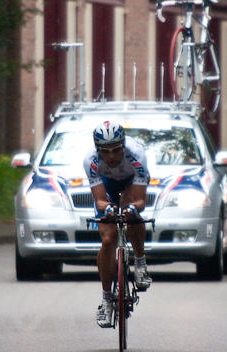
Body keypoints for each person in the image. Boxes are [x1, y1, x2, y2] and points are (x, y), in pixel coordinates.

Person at [83, 120, 152, 328]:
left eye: (115, 150)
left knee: (130, 209)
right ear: (98, 150)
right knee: (107, 240)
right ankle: (106, 300)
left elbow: (139, 201)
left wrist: (132, 209)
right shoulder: (91, 161)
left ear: (123, 146)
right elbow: (100, 201)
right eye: (105, 151)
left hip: (131, 181)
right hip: (106, 183)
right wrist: (107, 209)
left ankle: (139, 263)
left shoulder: (137, 155)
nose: (111, 156)